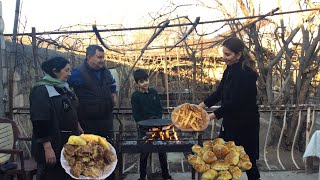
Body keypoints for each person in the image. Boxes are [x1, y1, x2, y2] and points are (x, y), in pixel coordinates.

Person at [199, 37, 260, 180]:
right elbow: (219, 92)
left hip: (246, 124)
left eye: (228, 55)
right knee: (222, 156)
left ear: (238, 55)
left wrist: (210, 116)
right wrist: (199, 107)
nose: (224, 58)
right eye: (223, 54)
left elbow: (235, 103)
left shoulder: (246, 75)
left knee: (249, 160)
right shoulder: (230, 69)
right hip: (231, 122)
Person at [30, 57, 84, 180]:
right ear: (55, 70)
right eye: (66, 70)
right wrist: (47, 148)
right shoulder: (41, 90)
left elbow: (70, 109)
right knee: (52, 175)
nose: (69, 74)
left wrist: (77, 125)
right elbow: (40, 120)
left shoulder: (63, 86)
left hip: (66, 142)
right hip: (52, 144)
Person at [67, 45, 117, 140]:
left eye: (103, 57)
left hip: (106, 119)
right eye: (99, 57)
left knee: (108, 148)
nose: (102, 60)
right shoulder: (78, 73)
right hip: (88, 121)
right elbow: (63, 86)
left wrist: (114, 94)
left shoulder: (105, 71)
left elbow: (113, 83)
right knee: (91, 149)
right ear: (89, 57)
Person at [131, 69, 172, 180]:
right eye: (141, 81)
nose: (145, 83)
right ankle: (142, 176)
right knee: (144, 152)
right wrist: (146, 123)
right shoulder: (135, 96)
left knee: (162, 151)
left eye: (146, 80)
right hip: (144, 129)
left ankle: (165, 174)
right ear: (137, 84)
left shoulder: (153, 92)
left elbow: (159, 108)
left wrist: (157, 121)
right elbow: (136, 115)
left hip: (158, 127)